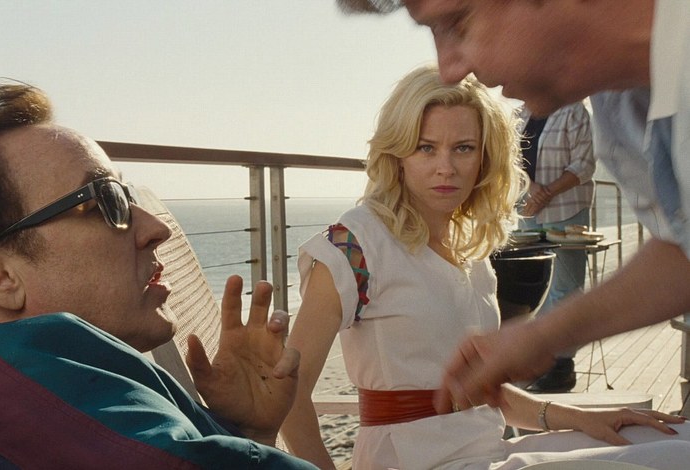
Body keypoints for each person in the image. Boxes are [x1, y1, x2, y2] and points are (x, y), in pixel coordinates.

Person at [0, 83, 315, 469]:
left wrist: (247, 433)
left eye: (127, 195)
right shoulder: (0, 394)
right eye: (105, 201)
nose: (156, 228)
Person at [280, 65, 690, 470]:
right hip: (415, 461)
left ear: (484, 158)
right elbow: (287, 392)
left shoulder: (468, 250)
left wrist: (583, 419)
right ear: (398, 154)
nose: (446, 167)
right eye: (425, 147)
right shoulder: (354, 246)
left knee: (674, 441)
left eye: (463, 148)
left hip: (489, 452)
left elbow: (484, 394)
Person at [335, 0, 690, 415]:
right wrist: (541, 337)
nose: (449, 69)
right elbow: (681, 249)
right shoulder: (619, 113)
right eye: (425, 148)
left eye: (457, 23)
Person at [517, 100, 596, 393]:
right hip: (529, 211)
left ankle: (562, 366)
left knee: (565, 288)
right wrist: (532, 189)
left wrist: (547, 192)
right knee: (535, 288)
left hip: (567, 210)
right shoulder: (520, 114)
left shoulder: (574, 111)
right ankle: (539, 358)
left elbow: (584, 165)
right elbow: (510, 160)